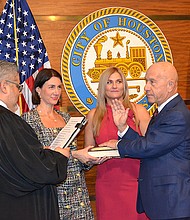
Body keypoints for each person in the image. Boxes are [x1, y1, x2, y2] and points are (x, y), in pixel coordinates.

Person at [100, 62, 190, 220]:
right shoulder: (165, 110)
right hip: (164, 203)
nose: (146, 87)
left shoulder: (177, 115)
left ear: (170, 85)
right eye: (146, 81)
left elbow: (149, 147)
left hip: (173, 203)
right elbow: (149, 142)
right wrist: (123, 128)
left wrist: (118, 144)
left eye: (152, 82)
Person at [22, 68, 97, 220]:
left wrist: (88, 158)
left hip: (78, 193)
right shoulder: (28, 120)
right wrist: (76, 154)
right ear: (38, 90)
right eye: (51, 87)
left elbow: (73, 153)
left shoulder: (66, 117)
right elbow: (36, 158)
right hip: (53, 193)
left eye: (59, 87)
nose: (56, 92)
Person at [0, 60, 70, 220]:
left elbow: (18, 159)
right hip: (21, 206)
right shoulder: (9, 122)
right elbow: (36, 169)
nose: (19, 92)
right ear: (4, 86)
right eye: (18, 86)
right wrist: (58, 156)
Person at [84, 66, 151, 220]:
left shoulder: (138, 111)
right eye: (109, 82)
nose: (114, 86)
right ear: (103, 87)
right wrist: (92, 158)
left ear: (124, 85)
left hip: (136, 182)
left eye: (118, 81)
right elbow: (87, 153)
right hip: (107, 184)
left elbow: (150, 146)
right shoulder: (93, 115)